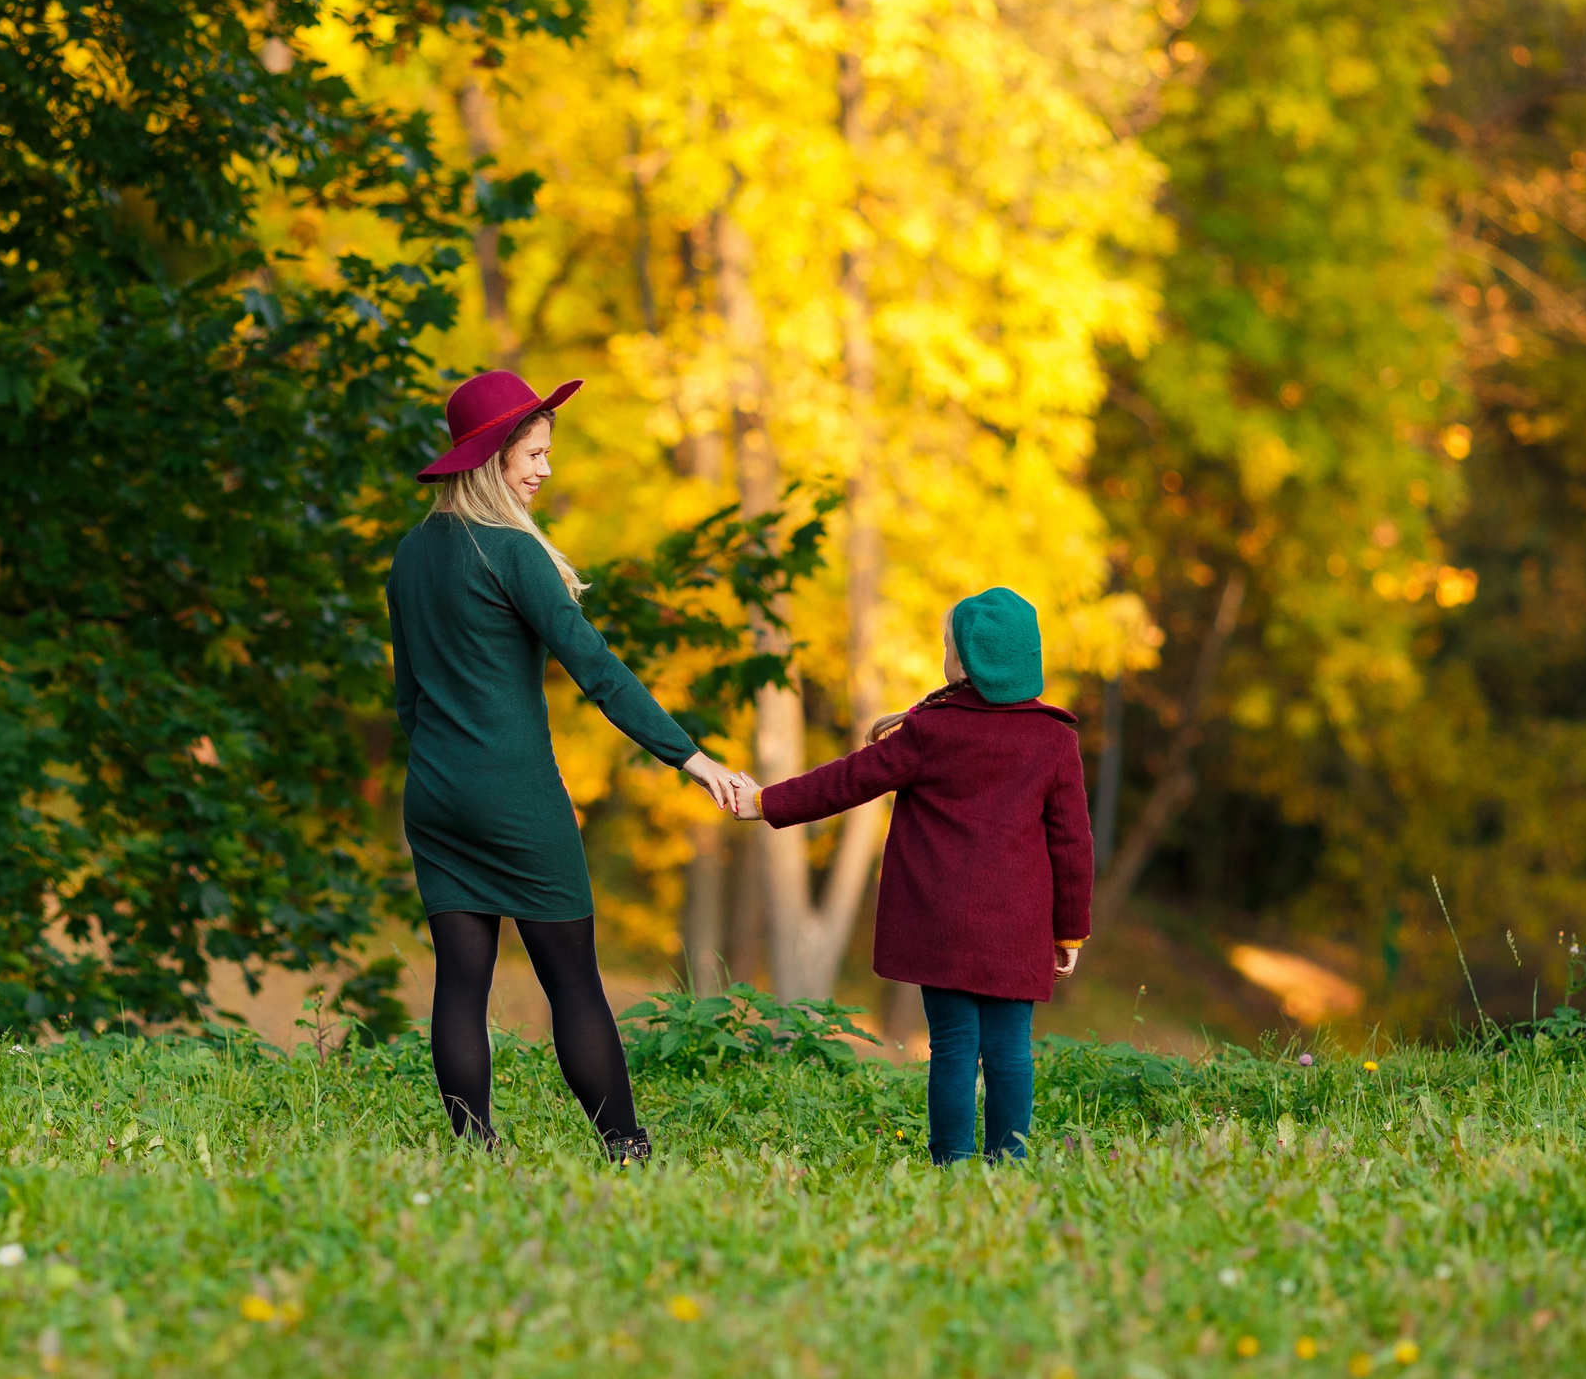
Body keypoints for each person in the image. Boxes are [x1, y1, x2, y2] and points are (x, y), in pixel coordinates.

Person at [387, 370, 755, 1162]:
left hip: (436, 796)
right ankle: (626, 1146)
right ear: (491, 458)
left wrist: (444, 769)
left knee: (461, 980)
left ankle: (473, 1152)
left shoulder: (411, 554)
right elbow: (599, 670)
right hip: (516, 798)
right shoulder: (514, 552)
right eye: (534, 453)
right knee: (575, 984)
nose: (545, 469)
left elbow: (408, 698)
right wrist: (691, 757)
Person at [736, 588, 1091, 1163]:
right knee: (1010, 1051)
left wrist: (766, 802)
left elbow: (847, 780)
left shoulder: (932, 732)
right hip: (1017, 928)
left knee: (953, 1047)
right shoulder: (1054, 740)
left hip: (941, 923)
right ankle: (1011, 1165)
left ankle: (951, 1163)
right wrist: (1069, 930)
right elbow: (1073, 845)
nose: (943, 655)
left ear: (967, 662)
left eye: (948, 646)